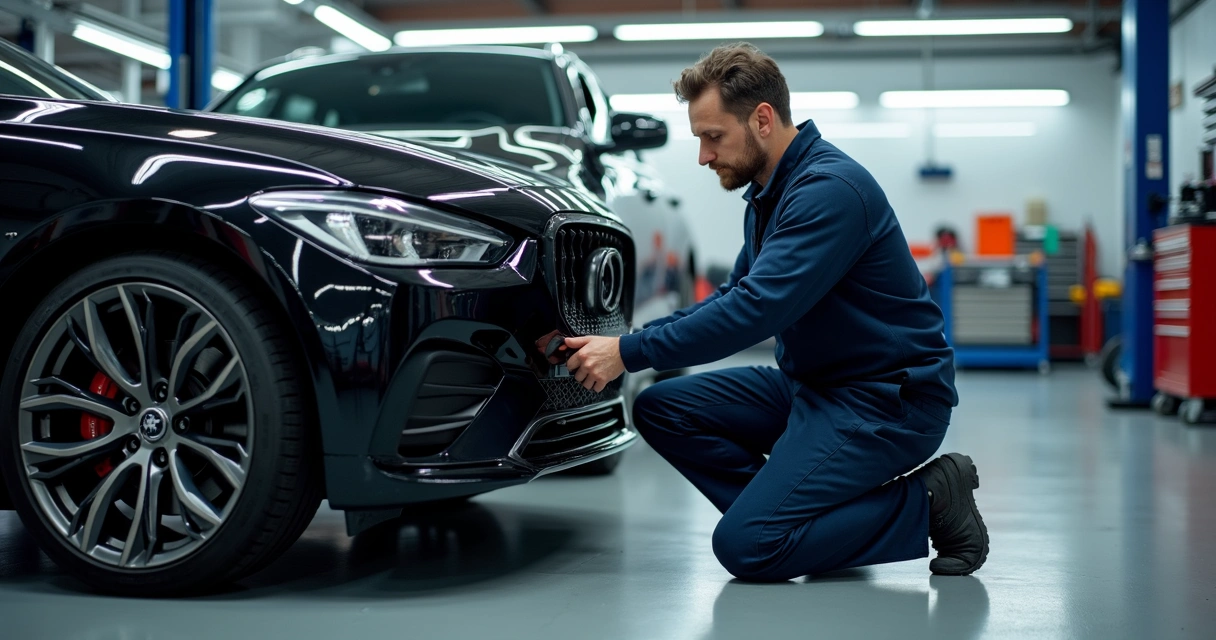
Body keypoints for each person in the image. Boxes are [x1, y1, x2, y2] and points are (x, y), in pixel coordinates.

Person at [537, 43, 987, 582]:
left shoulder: (829, 191)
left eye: (713, 136)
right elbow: (734, 294)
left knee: (748, 547)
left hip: (885, 400)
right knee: (661, 408)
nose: (704, 156)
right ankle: (820, 522)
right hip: (815, 388)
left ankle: (932, 499)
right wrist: (628, 341)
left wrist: (627, 352)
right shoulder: (771, 193)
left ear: (763, 120)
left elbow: (755, 311)